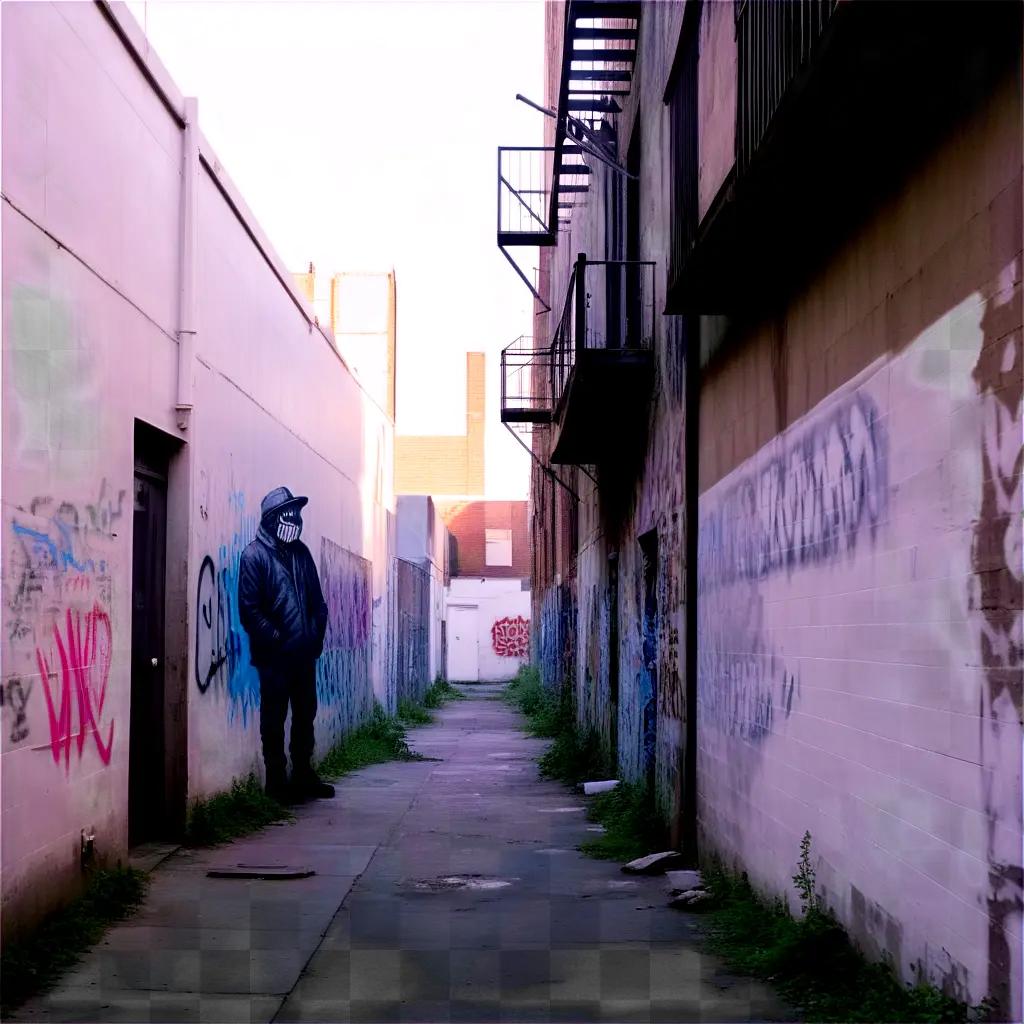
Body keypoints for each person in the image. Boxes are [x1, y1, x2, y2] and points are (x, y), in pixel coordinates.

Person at [238, 486, 334, 802]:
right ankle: (277, 784)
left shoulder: (301, 553)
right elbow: (249, 610)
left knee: (305, 715)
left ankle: (303, 775)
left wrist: (314, 638)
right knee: (274, 719)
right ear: (271, 518)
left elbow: (318, 603)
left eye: (296, 512)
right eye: (286, 512)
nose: (294, 518)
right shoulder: (254, 555)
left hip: (304, 656)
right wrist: (278, 639)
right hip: (274, 659)